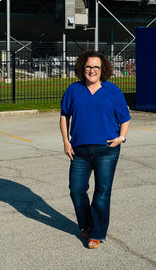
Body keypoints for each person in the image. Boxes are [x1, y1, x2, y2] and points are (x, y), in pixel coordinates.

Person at [60, 50, 131, 249]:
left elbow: (125, 119)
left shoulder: (112, 91)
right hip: (79, 151)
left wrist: (121, 138)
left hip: (106, 151)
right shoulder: (74, 90)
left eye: (96, 67)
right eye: (88, 66)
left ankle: (96, 233)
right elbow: (64, 116)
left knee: (102, 191)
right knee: (76, 190)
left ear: (103, 69)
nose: (92, 70)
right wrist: (66, 141)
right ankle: (86, 224)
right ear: (82, 68)